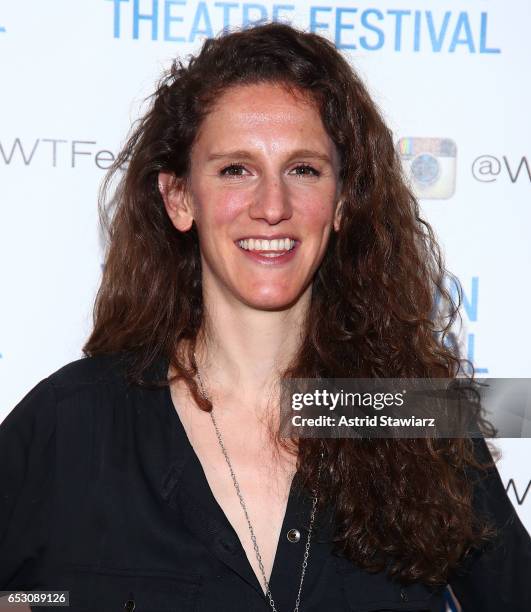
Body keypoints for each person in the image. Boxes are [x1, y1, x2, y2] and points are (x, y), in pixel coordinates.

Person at [1, 21, 530, 612]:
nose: (272, 207)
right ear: (179, 198)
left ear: (342, 202)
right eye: (236, 170)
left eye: (303, 169)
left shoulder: (420, 417)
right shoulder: (73, 422)